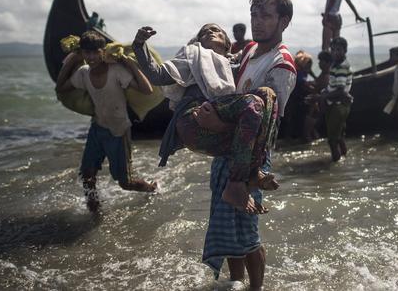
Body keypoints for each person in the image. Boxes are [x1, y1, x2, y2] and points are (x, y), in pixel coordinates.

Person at [195, 0, 296, 290]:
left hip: (250, 159)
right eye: (254, 13)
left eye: (266, 15)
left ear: (283, 22)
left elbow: (266, 129)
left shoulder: (282, 66)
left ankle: (255, 287)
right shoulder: (250, 50)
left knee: (248, 234)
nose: (257, 20)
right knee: (228, 231)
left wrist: (217, 126)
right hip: (226, 153)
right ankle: (234, 282)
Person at [131, 23, 279, 214]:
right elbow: (157, 75)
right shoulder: (193, 56)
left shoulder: (233, 65)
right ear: (199, 40)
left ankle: (251, 173)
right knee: (254, 102)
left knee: (267, 95)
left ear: (227, 44)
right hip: (194, 118)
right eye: (204, 32)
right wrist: (139, 45)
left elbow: (257, 52)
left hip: (218, 123)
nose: (209, 32)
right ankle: (236, 184)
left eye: (216, 30)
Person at [55, 31, 157, 212]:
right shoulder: (83, 73)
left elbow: (147, 90)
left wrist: (128, 63)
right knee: (87, 174)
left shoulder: (116, 71)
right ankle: (93, 210)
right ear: (82, 53)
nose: (91, 57)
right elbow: (60, 88)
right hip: (97, 129)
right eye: (87, 53)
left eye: (95, 52)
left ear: (103, 52)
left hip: (118, 131)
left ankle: (151, 189)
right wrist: (72, 60)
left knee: (126, 183)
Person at [313, 37, 353, 161]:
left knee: (332, 140)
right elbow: (332, 86)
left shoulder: (341, 67)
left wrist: (322, 96)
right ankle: (344, 159)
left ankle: (335, 166)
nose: (335, 52)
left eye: (339, 50)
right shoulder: (336, 65)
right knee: (339, 136)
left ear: (345, 50)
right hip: (337, 104)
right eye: (333, 49)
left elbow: (340, 90)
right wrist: (323, 93)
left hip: (338, 105)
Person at [302, 51, 333, 141]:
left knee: (307, 133)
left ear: (328, 63)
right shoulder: (323, 74)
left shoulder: (326, 76)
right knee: (313, 131)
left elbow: (320, 91)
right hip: (315, 106)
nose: (319, 63)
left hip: (316, 107)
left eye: (321, 61)